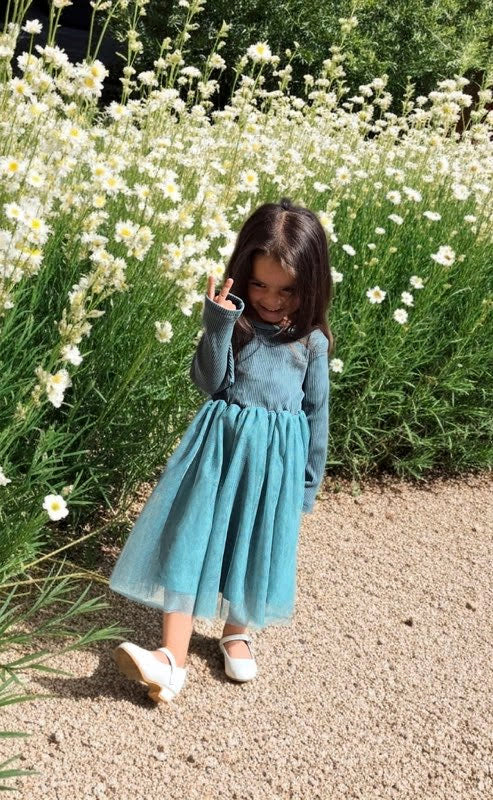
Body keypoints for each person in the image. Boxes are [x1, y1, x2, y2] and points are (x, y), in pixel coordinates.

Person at [110, 197, 334, 703]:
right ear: (241, 272)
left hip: (273, 464)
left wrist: (307, 484)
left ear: (313, 286)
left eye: (287, 290)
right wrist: (217, 324)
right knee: (192, 540)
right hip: (217, 453)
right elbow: (208, 383)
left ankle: (237, 631)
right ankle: (171, 659)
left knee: (253, 542)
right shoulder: (236, 324)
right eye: (259, 284)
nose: (271, 300)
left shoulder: (311, 344)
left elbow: (317, 417)